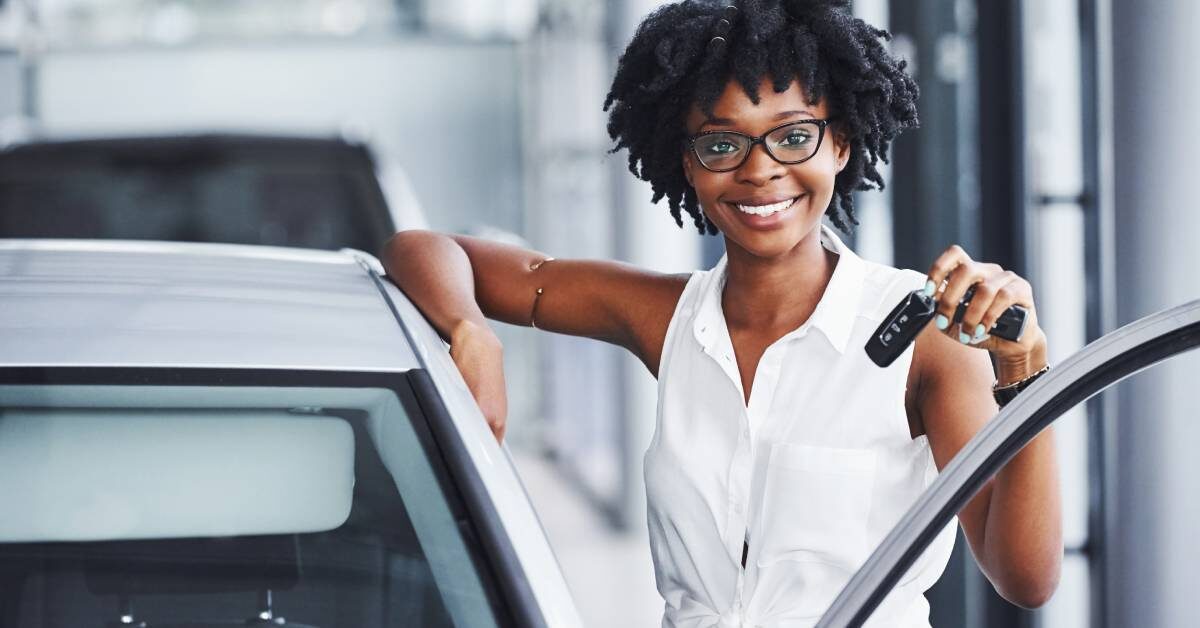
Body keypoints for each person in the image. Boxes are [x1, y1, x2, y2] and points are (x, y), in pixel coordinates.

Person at [380, 0, 1062, 625]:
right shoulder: (663, 317)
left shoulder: (920, 340)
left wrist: (1025, 370)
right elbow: (421, 248)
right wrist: (472, 334)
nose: (759, 170)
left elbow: (1024, 577)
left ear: (842, 144)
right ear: (689, 164)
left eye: (794, 137)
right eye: (721, 143)